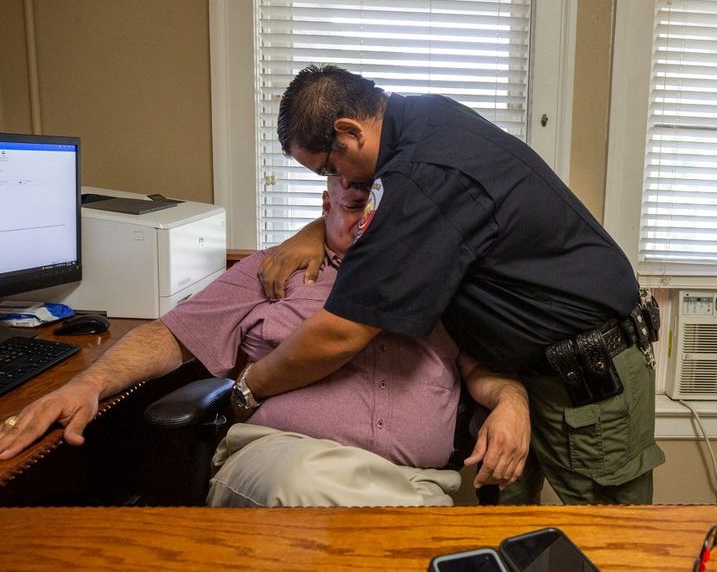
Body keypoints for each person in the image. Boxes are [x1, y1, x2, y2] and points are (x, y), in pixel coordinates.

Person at [250, 64, 665, 505]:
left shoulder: (422, 174)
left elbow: (342, 332)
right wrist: (316, 228)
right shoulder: (427, 119)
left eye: (328, 167)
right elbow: (393, 223)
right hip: (518, 375)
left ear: (350, 132)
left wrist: (250, 386)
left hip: (588, 380)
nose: (339, 180)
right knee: (508, 531)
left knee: (609, 535)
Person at [0, 176, 529, 507]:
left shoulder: (441, 283)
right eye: (353, 204)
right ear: (325, 204)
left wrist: (512, 401)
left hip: (417, 483)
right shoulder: (277, 270)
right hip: (284, 462)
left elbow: (480, 367)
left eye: (381, 210)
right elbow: (170, 335)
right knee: (306, 485)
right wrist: (89, 383)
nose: (367, 221)